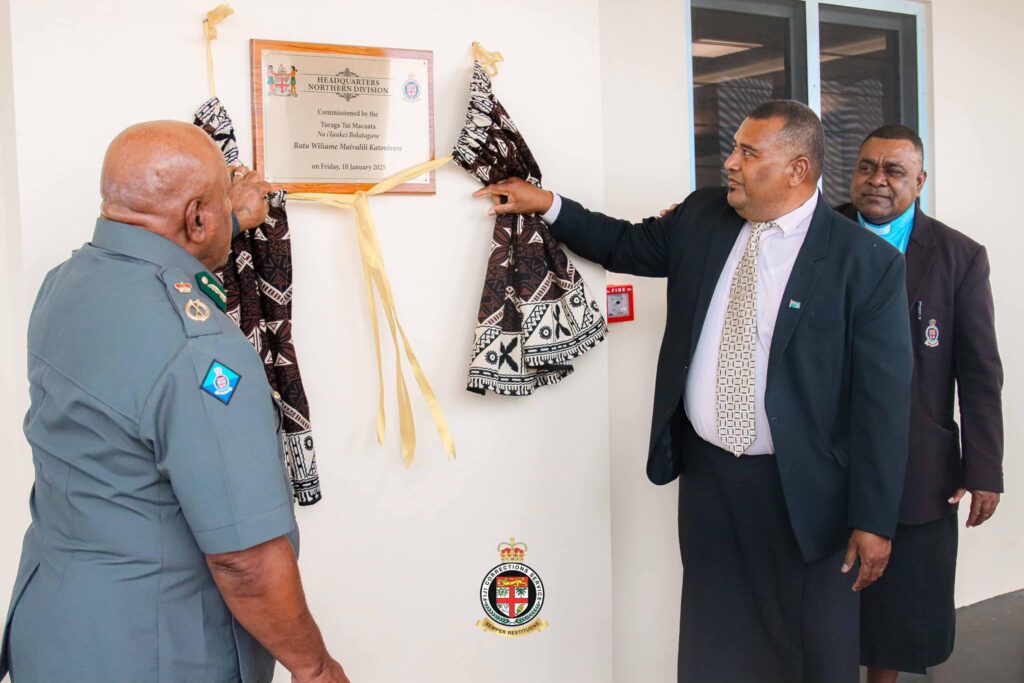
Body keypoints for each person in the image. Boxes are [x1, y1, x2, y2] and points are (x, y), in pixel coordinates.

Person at [474, 100, 913, 683]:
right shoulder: (705, 216)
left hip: (805, 489)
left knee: (812, 645)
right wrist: (546, 204)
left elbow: (884, 406)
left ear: (797, 170)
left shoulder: (867, 263)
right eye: (734, 148)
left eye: (749, 154)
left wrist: (875, 518)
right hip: (710, 477)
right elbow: (624, 244)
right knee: (715, 639)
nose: (730, 163)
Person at [0, 121, 350, 683]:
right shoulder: (201, 349)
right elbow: (245, 560)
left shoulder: (63, 284)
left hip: (55, 630)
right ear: (195, 217)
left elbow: (154, 266)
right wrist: (315, 668)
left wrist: (222, 220)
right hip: (152, 651)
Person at [835, 124, 1004, 683]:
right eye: (866, 167)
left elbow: (979, 373)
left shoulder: (959, 257)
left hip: (917, 461)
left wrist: (984, 469)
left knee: (898, 609)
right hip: (824, 454)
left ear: (920, 181)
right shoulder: (815, 233)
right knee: (823, 603)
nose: (877, 181)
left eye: (894, 171)